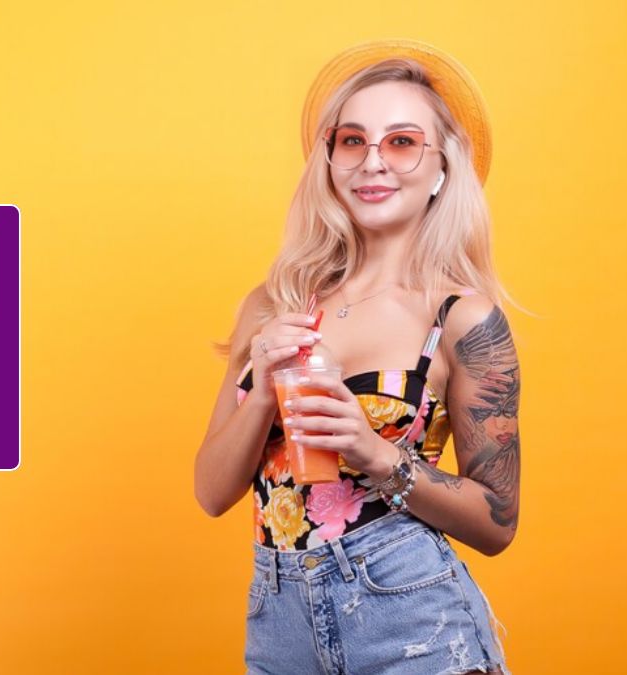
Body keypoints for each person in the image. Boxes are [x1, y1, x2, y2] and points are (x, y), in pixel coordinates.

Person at [193, 39, 522, 675]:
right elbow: (211, 492)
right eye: (352, 141)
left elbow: (497, 523)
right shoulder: (273, 305)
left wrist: (373, 452)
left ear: (442, 168)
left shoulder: (460, 320)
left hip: (408, 613)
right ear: (330, 160)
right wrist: (262, 390)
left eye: (402, 142)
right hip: (277, 618)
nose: (373, 161)